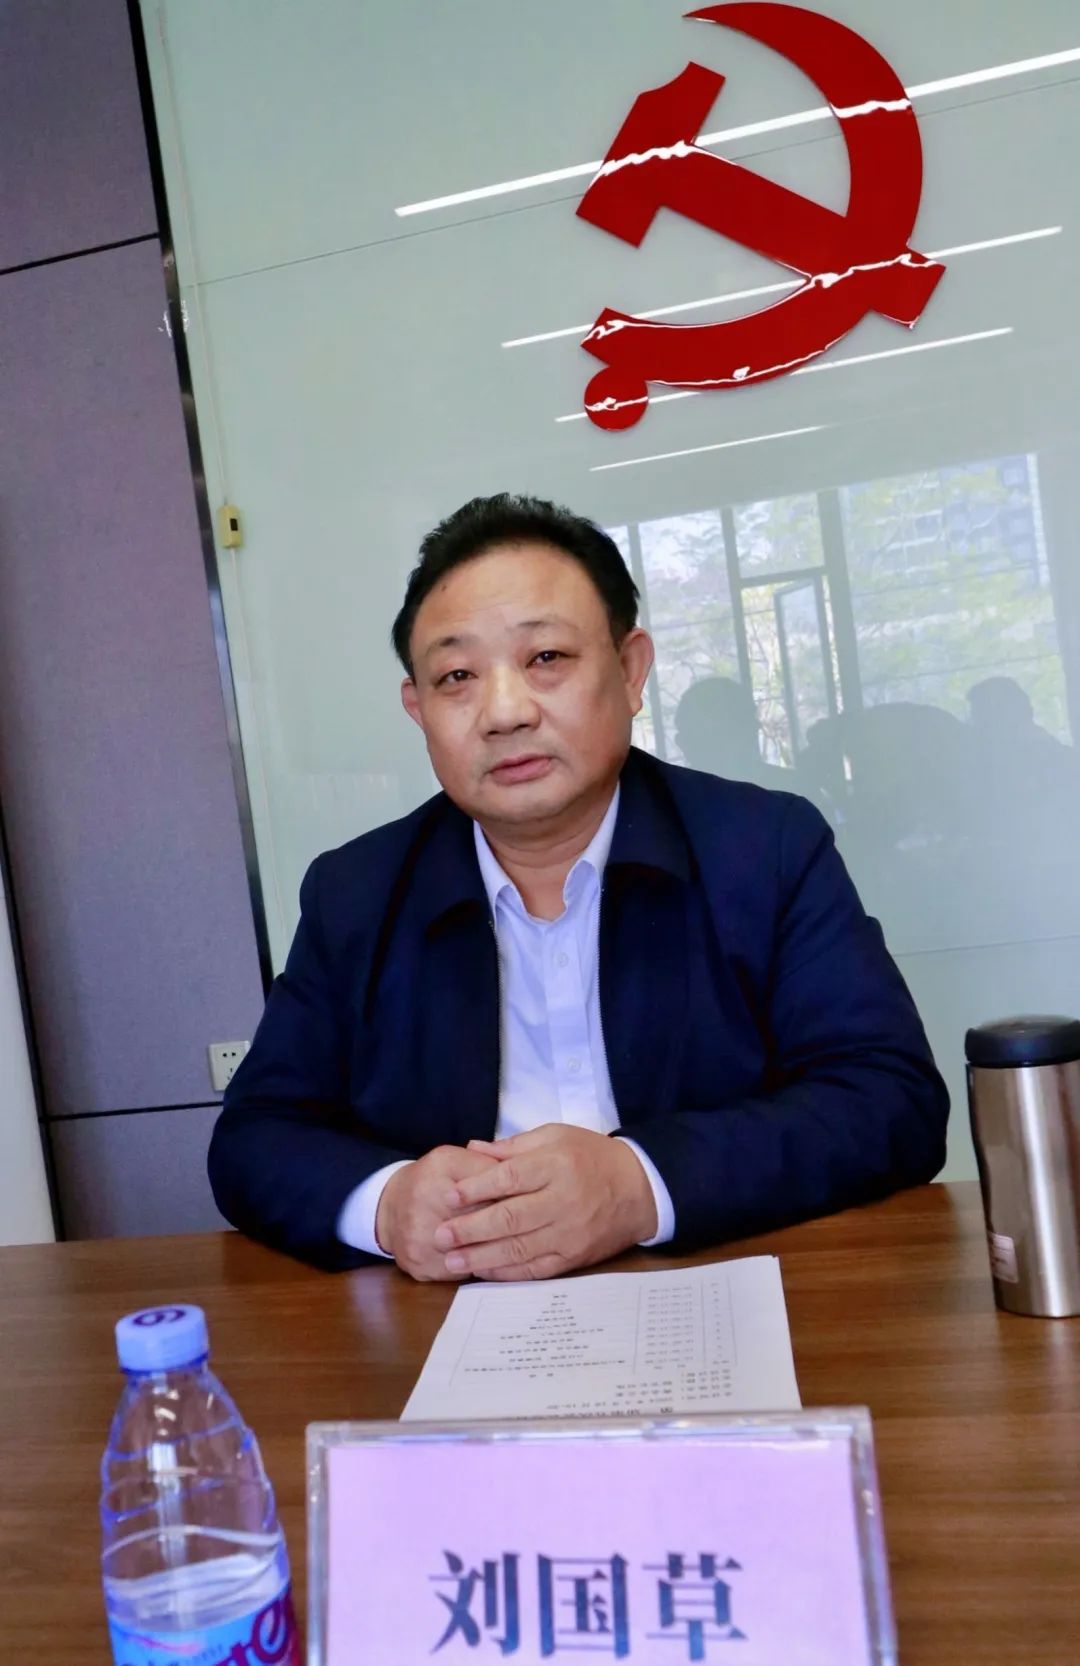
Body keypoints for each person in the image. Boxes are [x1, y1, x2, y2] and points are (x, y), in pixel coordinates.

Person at [209, 494, 948, 1278]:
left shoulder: (764, 849)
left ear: (630, 671)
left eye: (546, 659)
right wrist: (389, 1205)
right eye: (457, 675)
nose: (504, 712)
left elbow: (889, 1098)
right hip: (451, 1311)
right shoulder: (356, 892)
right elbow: (256, 1135)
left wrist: (639, 1184)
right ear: (418, 709)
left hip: (726, 1287)